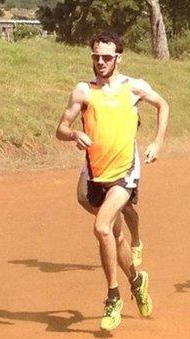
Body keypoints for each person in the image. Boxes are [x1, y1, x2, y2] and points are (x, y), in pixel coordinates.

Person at [56, 31, 169, 331]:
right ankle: (137, 280)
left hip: (124, 173)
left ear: (119, 57)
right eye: (96, 57)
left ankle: (113, 297)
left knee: (102, 227)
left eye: (106, 57)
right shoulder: (83, 91)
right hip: (95, 174)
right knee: (114, 237)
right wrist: (74, 134)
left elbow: (163, 105)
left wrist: (157, 142)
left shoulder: (134, 87)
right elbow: (60, 129)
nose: (100, 62)